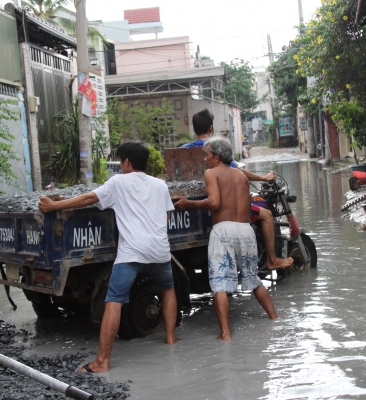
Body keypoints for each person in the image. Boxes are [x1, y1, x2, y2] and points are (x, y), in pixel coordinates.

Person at [39, 142, 179, 373]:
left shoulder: (117, 182)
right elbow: (164, 219)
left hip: (132, 251)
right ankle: (171, 338)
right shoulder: (160, 185)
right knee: (168, 288)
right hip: (160, 249)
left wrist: (55, 205)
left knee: (114, 300)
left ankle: (102, 361)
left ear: (126, 162)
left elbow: (88, 199)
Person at [173, 138, 279, 341]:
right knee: (253, 278)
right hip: (246, 230)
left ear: (217, 157)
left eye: (207, 155)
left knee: (219, 284)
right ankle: (274, 317)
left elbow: (214, 202)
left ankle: (225, 333)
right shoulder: (241, 175)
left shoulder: (211, 173)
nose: (205, 159)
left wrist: (189, 203)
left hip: (223, 231)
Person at [182, 109, 292, 270]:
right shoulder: (215, 149)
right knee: (267, 215)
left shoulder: (184, 149)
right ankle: (272, 259)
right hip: (224, 208)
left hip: (199, 205)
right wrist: (263, 178)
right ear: (211, 129)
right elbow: (236, 172)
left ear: (194, 129)